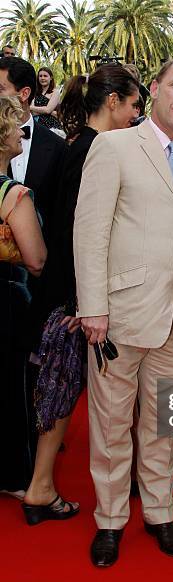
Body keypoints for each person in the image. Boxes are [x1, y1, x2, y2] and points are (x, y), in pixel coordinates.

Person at [73, 59, 173, 567]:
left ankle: (159, 512)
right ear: (154, 89)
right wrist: (93, 308)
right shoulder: (112, 147)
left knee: (163, 424)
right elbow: (90, 232)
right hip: (119, 314)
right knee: (110, 422)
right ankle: (109, 520)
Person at [21, 65, 140, 526]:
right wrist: (79, 302)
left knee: (60, 389)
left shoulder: (78, 146)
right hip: (70, 297)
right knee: (60, 388)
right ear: (112, 103)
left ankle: (42, 484)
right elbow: (80, 231)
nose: (134, 116)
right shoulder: (95, 149)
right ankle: (41, 486)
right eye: (132, 106)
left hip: (64, 291)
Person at [0, 96, 46, 500]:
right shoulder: (13, 194)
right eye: (15, 126)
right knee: (13, 390)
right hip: (8, 301)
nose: (20, 133)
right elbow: (36, 259)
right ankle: (15, 476)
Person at [0, 57, 66, 246]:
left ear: (24, 93)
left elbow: (60, 214)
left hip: (41, 266)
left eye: (0, 89)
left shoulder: (56, 147)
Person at [31, 67, 63, 133]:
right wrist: (50, 111)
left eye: (45, 76)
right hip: (36, 124)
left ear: (51, 78)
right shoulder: (35, 92)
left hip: (51, 127)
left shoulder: (55, 92)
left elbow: (48, 110)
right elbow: (32, 113)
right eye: (40, 76)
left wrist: (31, 107)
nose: (42, 78)